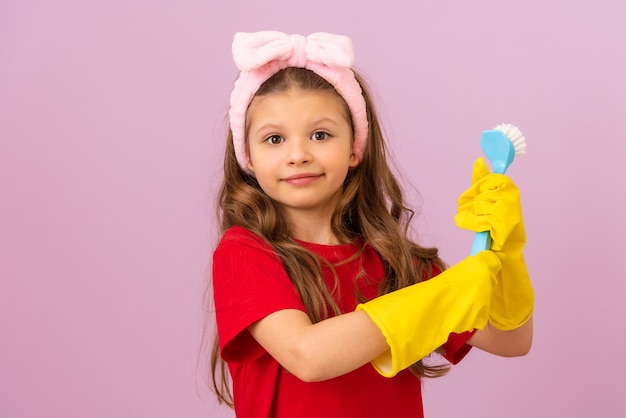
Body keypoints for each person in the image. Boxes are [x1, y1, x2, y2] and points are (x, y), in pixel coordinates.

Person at [209, 31, 534, 418]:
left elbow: (512, 341)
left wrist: (506, 255)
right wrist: (436, 299)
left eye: (320, 134)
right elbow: (308, 355)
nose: (298, 154)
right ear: (248, 157)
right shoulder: (244, 253)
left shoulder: (394, 259)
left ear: (354, 149)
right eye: (274, 138)